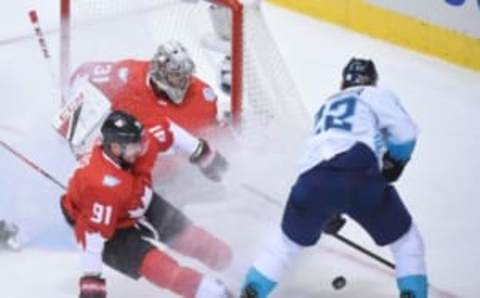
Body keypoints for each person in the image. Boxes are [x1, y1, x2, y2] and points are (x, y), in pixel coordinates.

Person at [239, 58, 428, 298]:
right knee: (407, 244)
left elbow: (326, 171)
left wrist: (328, 212)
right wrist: (396, 163)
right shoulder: (372, 94)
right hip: (359, 172)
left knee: (285, 246)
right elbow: (406, 133)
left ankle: (251, 290)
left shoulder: (325, 108)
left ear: (342, 83)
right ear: (373, 81)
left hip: (310, 182)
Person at [61, 110, 232, 298]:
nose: (142, 149)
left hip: (140, 199)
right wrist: (91, 284)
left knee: (199, 242)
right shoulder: (101, 185)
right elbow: (92, 235)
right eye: (135, 146)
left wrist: (203, 155)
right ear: (116, 148)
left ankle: (236, 269)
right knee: (160, 268)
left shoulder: (139, 143)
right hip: (113, 230)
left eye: (141, 142)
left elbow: (169, 131)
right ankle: (212, 294)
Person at [54, 40, 223, 157]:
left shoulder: (202, 96)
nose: (184, 83)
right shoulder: (125, 78)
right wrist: (70, 106)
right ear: (160, 73)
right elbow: (83, 74)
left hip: (181, 175)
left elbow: (215, 133)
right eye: (176, 77)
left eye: (186, 76)